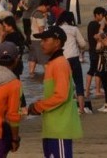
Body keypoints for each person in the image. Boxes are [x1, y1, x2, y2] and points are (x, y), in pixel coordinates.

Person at [28, 26, 84, 157]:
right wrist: (40, 104)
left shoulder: (60, 63)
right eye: (41, 40)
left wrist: (38, 106)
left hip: (60, 128)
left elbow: (61, 96)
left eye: (45, 40)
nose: (42, 43)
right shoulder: (53, 63)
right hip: (51, 127)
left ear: (57, 42)